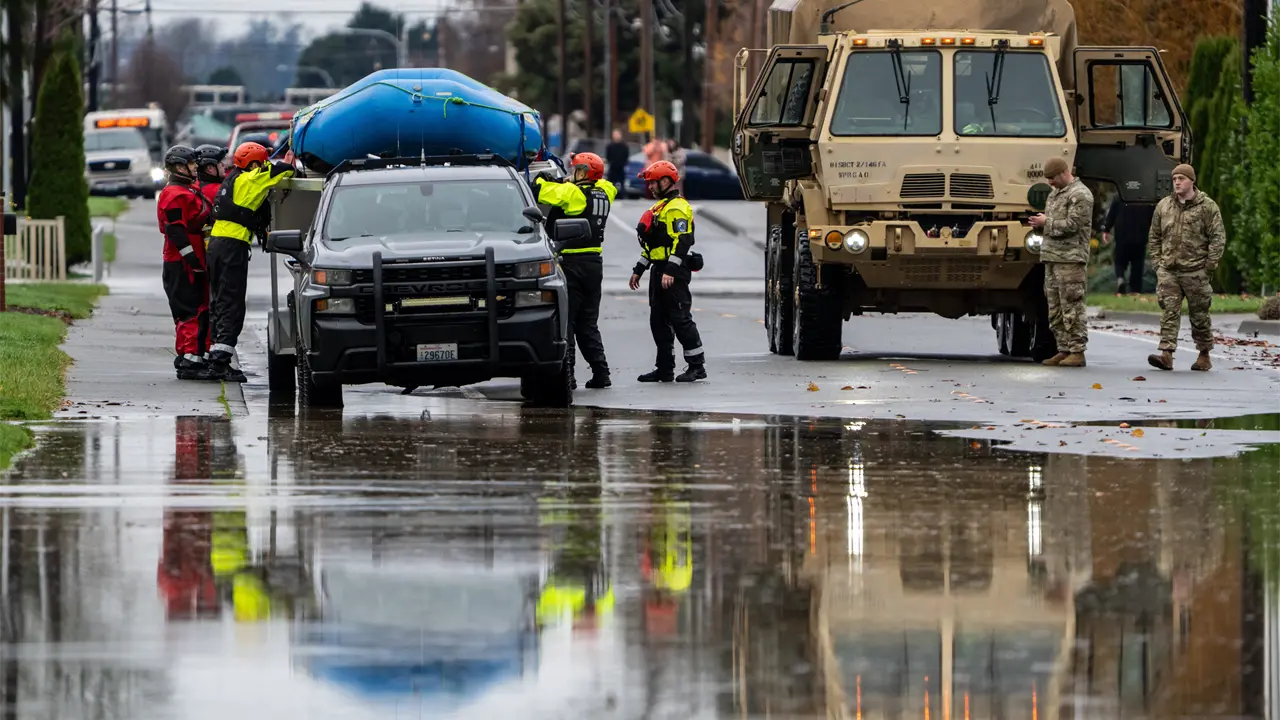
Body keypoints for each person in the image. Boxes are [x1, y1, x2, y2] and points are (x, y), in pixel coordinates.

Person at [206, 141, 295, 382]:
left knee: (219, 300)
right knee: (231, 303)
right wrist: (287, 162)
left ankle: (215, 353)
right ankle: (220, 361)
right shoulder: (250, 179)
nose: (264, 165)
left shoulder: (233, 179)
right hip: (231, 246)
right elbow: (280, 171)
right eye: (262, 162)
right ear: (254, 164)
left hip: (217, 244)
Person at [533, 151, 616, 389]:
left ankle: (568, 375)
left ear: (585, 174)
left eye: (577, 170)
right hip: (594, 264)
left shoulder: (573, 194)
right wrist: (571, 178)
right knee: (588, 323)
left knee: (567, 321)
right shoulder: (606, 192)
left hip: (571, 263)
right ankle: (601, 372)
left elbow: (540, 190)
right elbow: (605, 183)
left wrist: (547, 178)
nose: (573, 173)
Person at [629, 160, 706, 382]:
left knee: (680, 319)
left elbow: (683, 241)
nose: (650, 187)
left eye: (653, 183)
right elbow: (654, 246)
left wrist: (671, 270)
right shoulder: (660, 207)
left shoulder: (677, 208)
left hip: (674, 273)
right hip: (659, 270)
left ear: (665, 181)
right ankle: (664, 368)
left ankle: (697, 366)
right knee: (658, 321)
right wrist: (639, 269)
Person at [1146, 163, 1226, 372]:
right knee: (1169, 312)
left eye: (1181, 179)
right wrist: (1158, 263)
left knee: (1199, 315)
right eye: (1174, 179)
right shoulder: (1164, 206)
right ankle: (1166, 354)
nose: (1177, 182)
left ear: (1192, 181)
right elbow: (1154, 236)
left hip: (1196, 271)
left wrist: (1209, 266)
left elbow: (1217, 238)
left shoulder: (1207, 207)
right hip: (1169, 270)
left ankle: (1204, 354)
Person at [157, 144, 215, 381]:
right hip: (181, 263)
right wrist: (193, 261)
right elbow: (176, 231)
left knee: (198, 308)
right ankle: (190, 360)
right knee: (190, 311)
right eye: (191, 164)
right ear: (180, 167)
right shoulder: (174, 195)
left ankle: (193, 355)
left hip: (191, 259)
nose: (195, 168)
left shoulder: (188, 190)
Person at [1028, 156, 1093, 367]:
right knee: (1055, 307)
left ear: (1064, 173)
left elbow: (1073, 225)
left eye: (1052, 178)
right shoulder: (1055, 194)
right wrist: (1040, 225)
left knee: (1072, 305)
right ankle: (1063, 349)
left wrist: (1046, 222)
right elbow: (1055, 224)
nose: (1050, 182)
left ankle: (1077, 351)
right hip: (1052, 257)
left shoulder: (1080, 195)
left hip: (1070, 259)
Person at [1102, 193, 1155, 294]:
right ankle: (1135, 290)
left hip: (1122, 235)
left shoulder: (1120, 196)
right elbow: (1152, 217)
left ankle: (1120, 278)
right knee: (1137, 264)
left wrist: (1106, 229)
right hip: (1140, 235)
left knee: (1120, 261)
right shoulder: (1146, 197)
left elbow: (1112, 214)